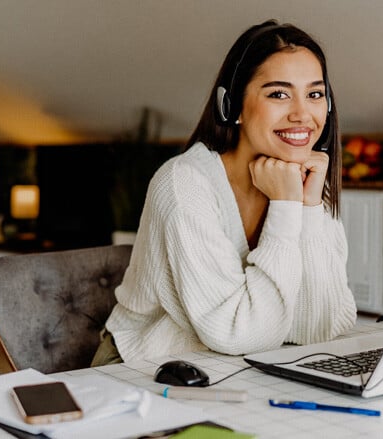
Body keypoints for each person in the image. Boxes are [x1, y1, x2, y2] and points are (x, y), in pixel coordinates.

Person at [92, 20, 357, 365]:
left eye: (315, 94)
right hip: (142, 367)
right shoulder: (183, 183)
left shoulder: (303, 184)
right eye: (279, 93)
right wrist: (286, 206)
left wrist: (305, 206)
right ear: (232, 106)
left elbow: (319, 326)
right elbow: (240, 334)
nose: (302, 114)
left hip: (234, 366)